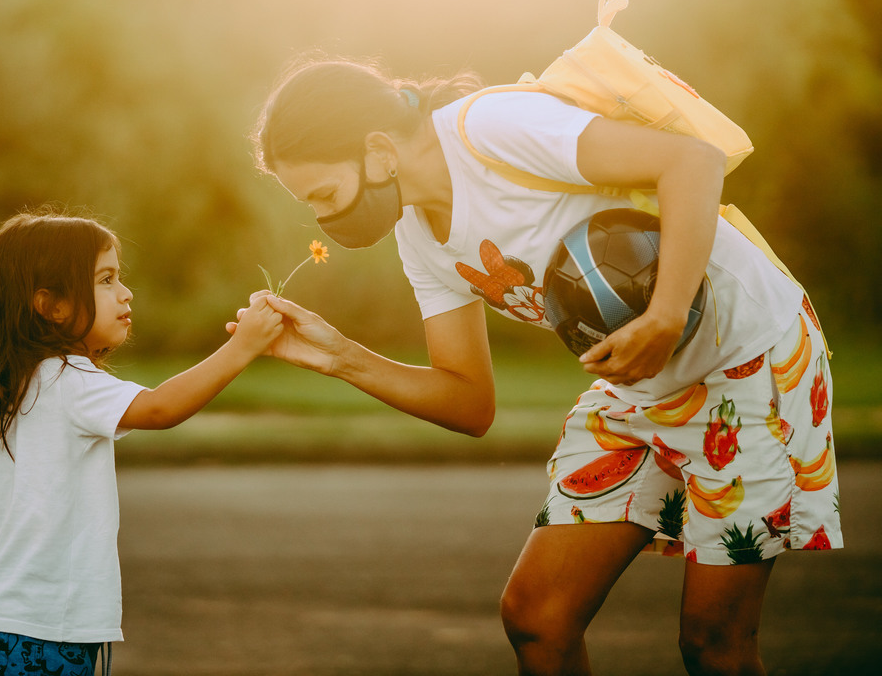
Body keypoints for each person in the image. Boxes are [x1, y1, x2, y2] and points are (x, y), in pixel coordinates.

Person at [237, 54, 840, 675]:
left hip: (744, 357)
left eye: (325, 194)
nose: (326, 219)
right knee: (538, 620)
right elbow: (469, 402)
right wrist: (339, 357)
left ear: (378, 151)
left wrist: (665, 314)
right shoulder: (418, 237)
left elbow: (693, 160)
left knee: (714, 644)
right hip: (640, 383)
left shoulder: (490, 128)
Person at [0, 209, 282, 676]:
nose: (125, 292)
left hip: (26, 622)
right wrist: (242, 347)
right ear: (52, 306)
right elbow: (161, 408)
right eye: (105, 279)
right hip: (44, 626)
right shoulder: (64, 378)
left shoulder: (30, 377)